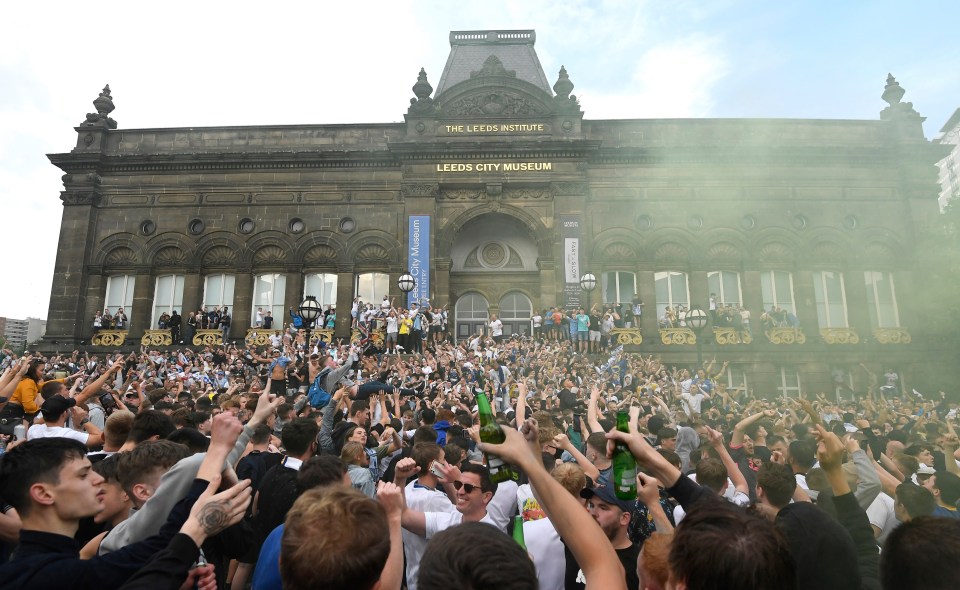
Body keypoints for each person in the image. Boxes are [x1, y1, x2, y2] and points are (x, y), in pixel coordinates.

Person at [0, 413, 251, 589]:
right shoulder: (42, 575)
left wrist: (171, 578)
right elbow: (165, 542)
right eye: (83, 475)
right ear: (44, 493)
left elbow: (157, 549)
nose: (98, 480)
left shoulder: (53, 564)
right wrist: (216, 450)